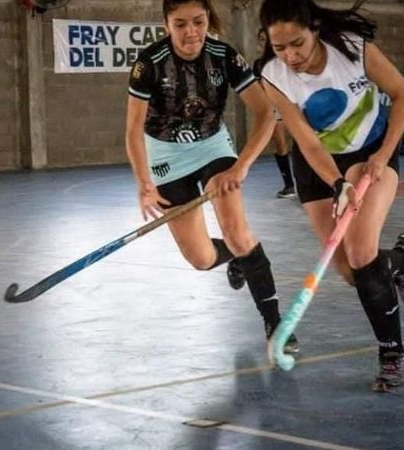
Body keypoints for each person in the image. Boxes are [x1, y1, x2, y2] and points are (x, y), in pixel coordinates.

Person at [257, 0, 404, 392]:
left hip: (370, 151)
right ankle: (402, 259)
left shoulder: (353, 48)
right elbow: (309, 144)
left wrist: (382, 157)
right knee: (350, 271)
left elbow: (402, 94)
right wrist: (337, 184)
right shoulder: (272, 75)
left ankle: (393, 356)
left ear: (314, 27)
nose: (290, 56)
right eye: (280, 48)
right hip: (318, 164)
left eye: (297, 43)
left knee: (362, 254)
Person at [126, 0, 298, 354]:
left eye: (198, 22)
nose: (191, 32)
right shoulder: (149, 63)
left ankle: (275, 323)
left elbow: (267, 115)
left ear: (208, 20)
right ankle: (234, 259)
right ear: (166, 25)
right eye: (180, 24)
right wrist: (144, 184)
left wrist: (240, 166)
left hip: (212, 147)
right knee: (201, 259)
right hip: (165, 156)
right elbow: (132, 131)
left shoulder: (223, 55)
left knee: (237, 232)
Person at [254, 29, 296, 199]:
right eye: (262, 39)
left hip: (293, 104)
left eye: (268, 39)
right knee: (280, 143)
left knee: (303, 140)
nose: (265, 42)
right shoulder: (258, 64)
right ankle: (289, 185)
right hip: (274, 106)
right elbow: (257, 88)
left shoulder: (285, 58)